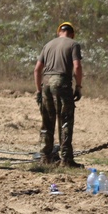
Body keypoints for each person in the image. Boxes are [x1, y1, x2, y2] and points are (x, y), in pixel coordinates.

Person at [34, 21, 83, 168]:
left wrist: (38, 90)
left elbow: (37, 70)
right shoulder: (73, 44)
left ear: (58, 32)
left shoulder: (48, 45)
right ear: (72, 33)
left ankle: (45, 156)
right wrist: (79, 86)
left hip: (46, 83)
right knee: (65, 120)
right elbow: (77, 66)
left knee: (47, 121)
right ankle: (66, 159)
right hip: (61, 83)